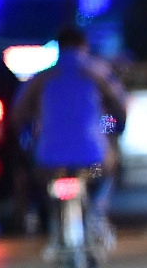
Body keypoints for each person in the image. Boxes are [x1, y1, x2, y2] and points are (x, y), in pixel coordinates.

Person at [11, 24, 127, 246]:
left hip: (49, 159)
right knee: (109, 171)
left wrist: (26, 137)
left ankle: (53, 222)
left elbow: (18, 113)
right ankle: (97, 212)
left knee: (43, 184)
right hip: (93, 157)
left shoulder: (42, 78)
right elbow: (119, 106)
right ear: (85, 46)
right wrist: (119, 128)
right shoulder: (97, 73)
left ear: (59, 47)